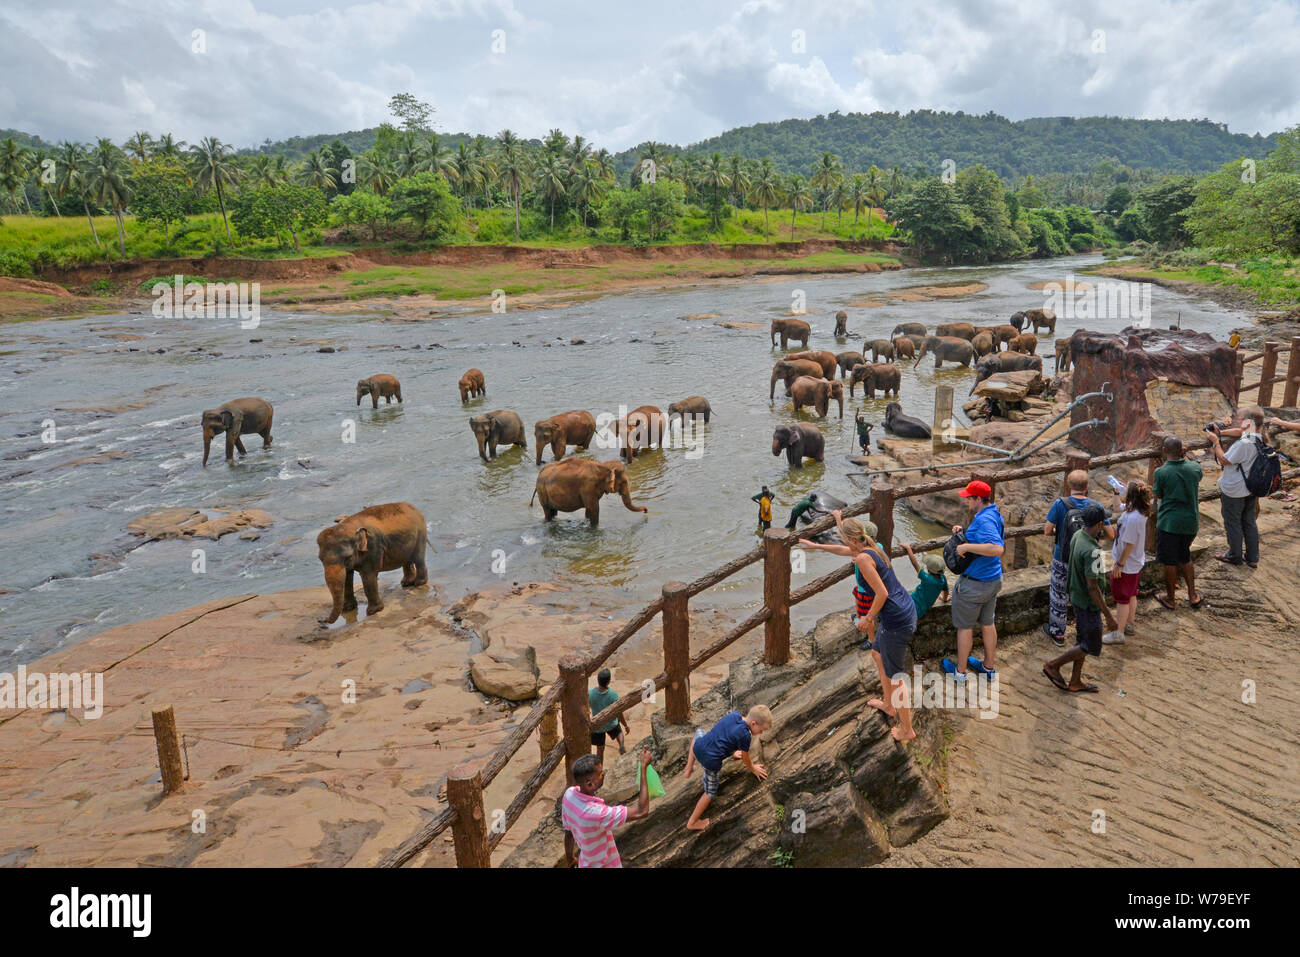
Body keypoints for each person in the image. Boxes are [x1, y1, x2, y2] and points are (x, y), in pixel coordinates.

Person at [801, 512, 919, 741]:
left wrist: (868, 617)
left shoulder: (864, 558)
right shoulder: (871, 547)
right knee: (876, 653)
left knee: (897, 677)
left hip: (897, 620)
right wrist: (815, 545)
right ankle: (888, 704)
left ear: (853, 540)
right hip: (902, 609)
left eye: (844, 539)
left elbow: (882, 593)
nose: (843, 543)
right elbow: (843, 549)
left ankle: (907, 730)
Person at [1043, 504, 1119, 693]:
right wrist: (1108, 615)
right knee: (1090, 645)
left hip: (1076, 596)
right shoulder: (1092, 551)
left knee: (1081, 641)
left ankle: (1075, 680)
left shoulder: (1078, 536)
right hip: (1088, 603)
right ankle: (1053, 665)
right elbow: (1093, 587)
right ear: (1100, 523)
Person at [1041, 469, 1114, 648]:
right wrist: (1093, 538)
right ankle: (1083, 634)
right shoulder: (1095, 506)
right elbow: (1111, 534)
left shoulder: (1060, 504)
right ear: (1087, 486)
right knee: (1086, 591)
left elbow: (1047, 530)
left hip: (1062, 556)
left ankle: (1058, 633)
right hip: (1086, 558)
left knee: (1059, 594)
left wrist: (1065, 534)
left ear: (1068, 485)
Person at [944, 480, 1005, 681]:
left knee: (965, 627)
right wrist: (965, 535)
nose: (966, 501)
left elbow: (997, 548)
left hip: (975, 584)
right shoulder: (993, 513)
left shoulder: (984, 520)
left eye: (969, 498)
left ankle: (960, 673)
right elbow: (985, 538)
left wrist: (966, 547)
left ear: (978, 499)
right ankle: (988, 668)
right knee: (988, 623)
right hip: (993, 579)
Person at [683, 705, 772, 831]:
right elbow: (746, 759)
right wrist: (753, 768)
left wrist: (732, 752)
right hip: (710, 762)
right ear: (753, 723)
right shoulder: (745, 735)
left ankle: (689, 766)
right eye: (761, 730)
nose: (761, 733)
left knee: (699, 733)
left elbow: (724, 734)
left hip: (698, 747)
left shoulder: (734, 715)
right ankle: (692, 823)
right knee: (710, 792)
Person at [561, 749, 652, 867]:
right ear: (589, 784)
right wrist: (643, 767)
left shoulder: (569, 795)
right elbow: (642, 811)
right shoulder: (597, 813)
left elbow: (568, 832)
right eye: (599, 773)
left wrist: (570, 858)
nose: (603, 773)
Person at [1152, 435, 1204, 610]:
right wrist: (1186, 455)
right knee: (1185, 556)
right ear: (1183, 450)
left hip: (1169, 523)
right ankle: (1192, 594)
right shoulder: (1194, 468)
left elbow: (1158, 494)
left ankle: (1171, 598)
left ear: (1164, 451)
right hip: (1190, 521)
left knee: (1170, 561)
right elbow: (1197, 474)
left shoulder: (1161, 472)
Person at [1208, 407, 1264, 568]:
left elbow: (1225, 460)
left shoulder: (1244, 444)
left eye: (1240, 420)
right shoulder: (1258, 436)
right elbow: (1240, 432)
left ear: (1248, 423)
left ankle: (1234, 556)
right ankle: (1252, 557)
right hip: (1251, 487)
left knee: (1233, 522)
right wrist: (1221, 432)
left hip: (1235, 490)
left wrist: (1216, 442)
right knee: (1249, 521)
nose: (1237, 422)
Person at [1106, 480, 1151, 643]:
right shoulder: (1137, 509)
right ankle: (1129, 624)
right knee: (1131, 594)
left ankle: (1119, 633)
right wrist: (1116, 492)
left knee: (1122, 598)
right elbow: (1117, 507)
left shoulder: (1133, 518)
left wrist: (1119, 564)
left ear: (1131, 496)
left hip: (1127, 564)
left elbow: (1129, 544)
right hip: (1135, 563)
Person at [588, 668, 629, 765]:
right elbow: (619, 712)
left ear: (598, 680)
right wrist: (625, 725)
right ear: (609, 681)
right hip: (611, 723)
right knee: (619, 731)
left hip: (598, 726)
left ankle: (600, 769)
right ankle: (621, 745)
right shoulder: (613, 695)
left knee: (600, 750)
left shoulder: (591, 694)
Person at [902, 542, 949, 619]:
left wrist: (908, 549)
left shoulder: (926, 578)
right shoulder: (943, 579)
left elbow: (915, 563)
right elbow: (946, 592)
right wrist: (944, 598)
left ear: (929, 570)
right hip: (920, 612)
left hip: (910, 603)